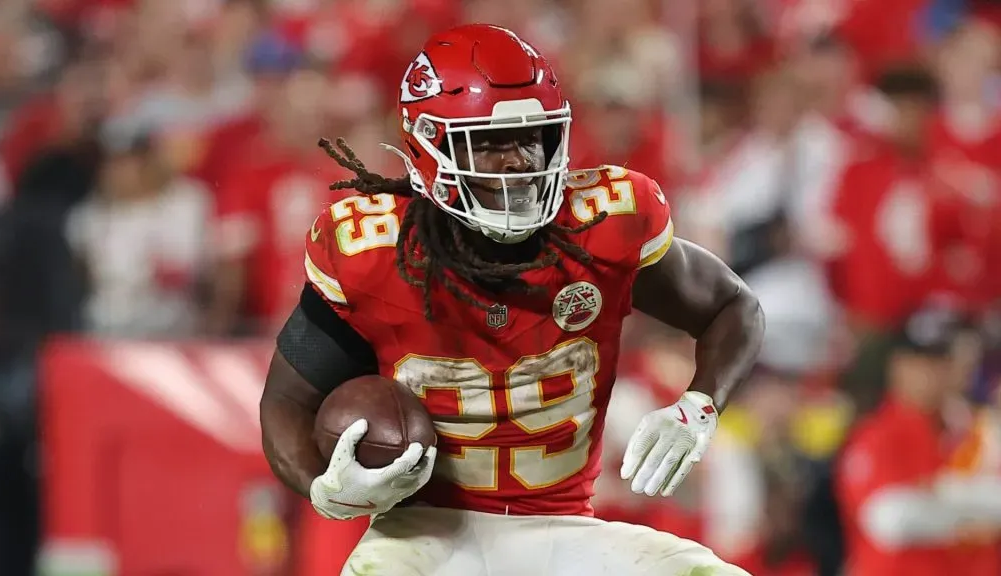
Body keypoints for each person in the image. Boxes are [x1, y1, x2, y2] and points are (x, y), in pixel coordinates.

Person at [260, 24, 765, 575]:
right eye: (490, 142)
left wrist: (700, 406)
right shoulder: (369, 251)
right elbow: (286, 402)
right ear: (427, 144)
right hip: (426, 535)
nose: (519, 160)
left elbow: (733, 308)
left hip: (565, 529)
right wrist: (326, 487)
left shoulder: (604, 223)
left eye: (533, 137)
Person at [835, 302, 1001, 576]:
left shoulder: (975, 429)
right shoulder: (874, 436)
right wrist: (964, 502)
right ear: (897, 365)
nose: (932, 374)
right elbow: (890, 518)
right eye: (921, 362)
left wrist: (938, 494)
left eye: (941, 362)